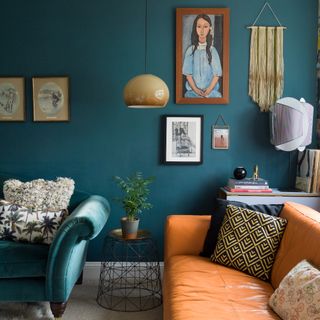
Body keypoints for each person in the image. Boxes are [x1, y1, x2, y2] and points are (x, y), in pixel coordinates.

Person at [182, 14, 222, 98]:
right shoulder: (190, 50)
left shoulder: (212, 51)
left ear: (210, 28)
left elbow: (217, 74)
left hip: (211, 93)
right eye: (199, 26)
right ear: (195, 28)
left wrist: (208, 91)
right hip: (192, 93)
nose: (202, 30)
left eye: (205, 26)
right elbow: (188, 75)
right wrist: (196, 90)